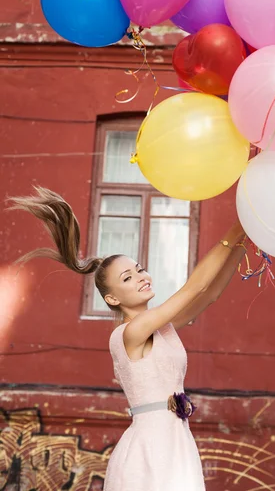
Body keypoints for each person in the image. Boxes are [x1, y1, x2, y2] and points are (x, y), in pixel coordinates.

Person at [10, 187, 247, 491]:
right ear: (111, 298)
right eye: (128, 278)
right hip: (149, 452)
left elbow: (210, 294)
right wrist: (237, 227)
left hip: (176, 444)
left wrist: (243, 242)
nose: (141, 277)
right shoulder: (128, 334)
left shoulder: (162, 326)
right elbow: (194, 288)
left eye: (139, 270)